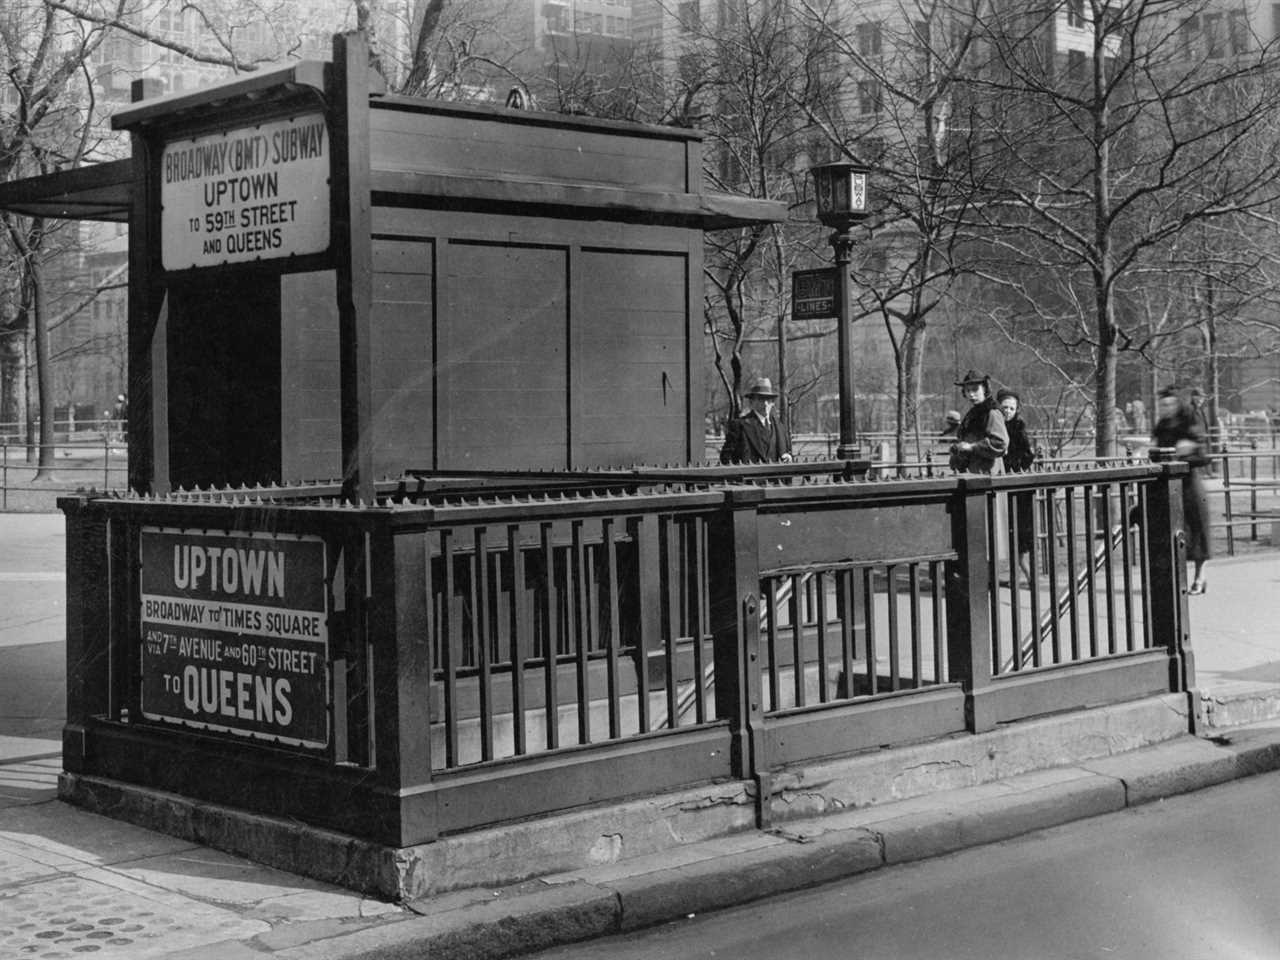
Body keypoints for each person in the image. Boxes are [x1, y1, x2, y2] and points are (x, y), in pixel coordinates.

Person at [1153, 387, 1210, 595]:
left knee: (1196, 532)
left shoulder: (1189, 422)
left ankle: (1199, 577)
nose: (1165, 408)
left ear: (1177, 404)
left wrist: (1183, 454)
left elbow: (1203, 457)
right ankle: (1178, 579)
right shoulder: (1161, 427)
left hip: (1189, 486)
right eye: (1162, 405)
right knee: (1174, 534)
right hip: (1167, 488)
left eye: (1169, 404)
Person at [998, 388, 1037, 582]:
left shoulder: (1018, 427)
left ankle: (1028, 575)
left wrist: (1012, 466)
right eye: (1004, 407)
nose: (1008, 411)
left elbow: (1028, 455)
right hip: (1000, 484)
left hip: (1017, 487)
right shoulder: (994, 425)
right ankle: (1014, 575)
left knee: (1018, 532)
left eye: (1011, 408)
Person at [719, 377, 794, 464]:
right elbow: (725, 458)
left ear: (773, 403)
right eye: (761, 399)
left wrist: (789, 457)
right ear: (752, 402)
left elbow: (787, 451)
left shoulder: (780, 427)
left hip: (776, 477)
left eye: (769, 400)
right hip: (750, 477)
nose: (766, 403)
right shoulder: (740, 426)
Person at [949, 370, 1007, 474]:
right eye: (967, 390)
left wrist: (972, 447)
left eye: (975, 390)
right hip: (971, 471)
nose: (971, 394)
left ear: (984, 389)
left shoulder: (992, 412)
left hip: (988, 472)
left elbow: (1000, 443)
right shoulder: (971, 414)